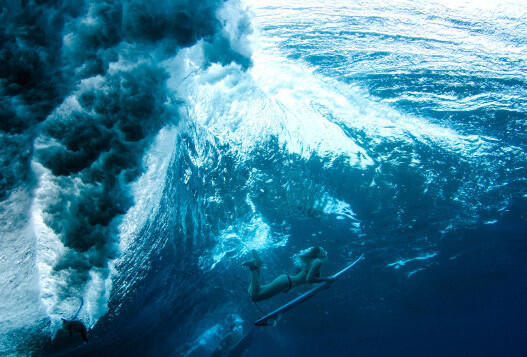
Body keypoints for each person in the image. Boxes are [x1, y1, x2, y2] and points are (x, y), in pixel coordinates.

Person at [243, 247, 334, 302]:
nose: (325, 251)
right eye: (322, 250)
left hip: (286, 282)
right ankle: (254, 267)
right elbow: (309, 279)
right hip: (287, 283)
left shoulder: (312, 261)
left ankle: (257, 264)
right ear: (317, 253)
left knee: (252, 291)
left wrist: (324, 285)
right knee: (255, 297)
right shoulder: (317, 262)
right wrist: (327, 279)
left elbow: (309, 283)